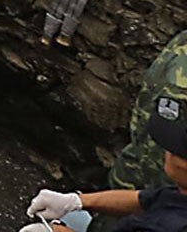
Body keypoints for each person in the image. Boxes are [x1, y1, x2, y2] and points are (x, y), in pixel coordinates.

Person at [28, 96, 187, 229]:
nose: (167, 152)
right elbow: (145, 199)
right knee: (75, 217)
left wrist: (54, 230)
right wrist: (75, 202)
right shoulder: (180, 195)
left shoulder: (170, 225)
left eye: (175, 149)